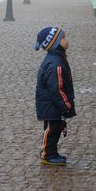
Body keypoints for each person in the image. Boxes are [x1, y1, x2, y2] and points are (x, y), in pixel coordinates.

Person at [35, 26, 76, 166]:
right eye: (63, 38)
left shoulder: (57, 58)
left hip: (52, 103)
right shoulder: (55, 63)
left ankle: (52, 152)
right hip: (51, 104)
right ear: (55, 43)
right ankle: (47, 154)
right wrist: (66, 104)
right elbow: (56, 88)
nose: (66, 40)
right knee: (52, 129)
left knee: (57, 127)